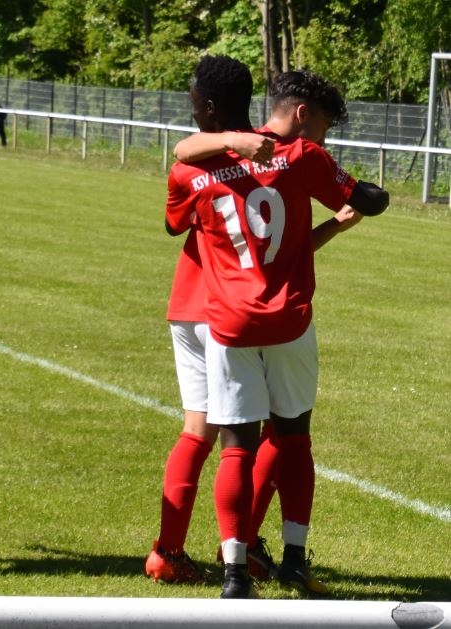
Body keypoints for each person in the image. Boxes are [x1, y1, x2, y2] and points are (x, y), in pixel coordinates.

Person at [160, 55, 388, 599]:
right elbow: (368, 200)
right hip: (288, 318)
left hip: (227, 322)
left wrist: (222, 151)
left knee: (235, 446)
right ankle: (293, 560)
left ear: (207, 108)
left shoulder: (190, 171)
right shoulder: (301, 156)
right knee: (293, 437)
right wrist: (368, 195)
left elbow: (174, 217)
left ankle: (235, 574)